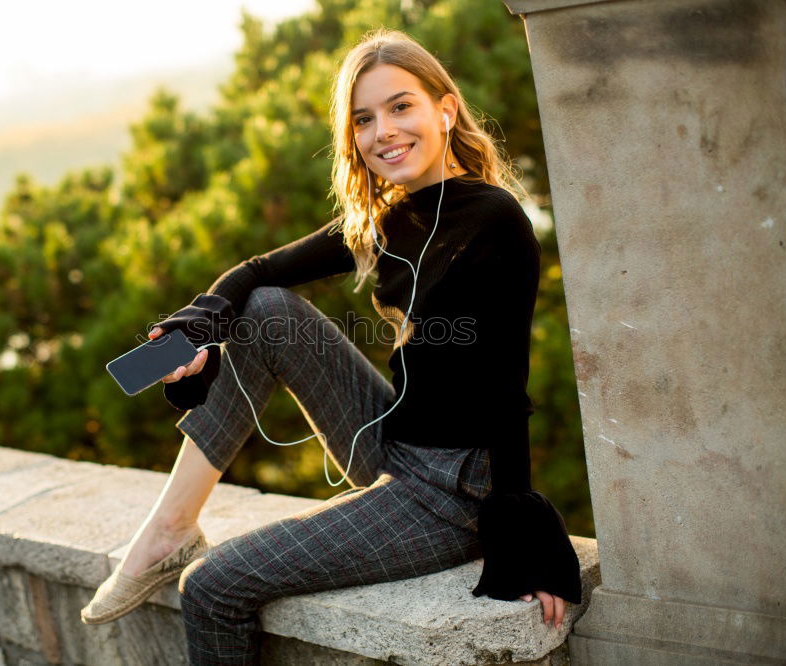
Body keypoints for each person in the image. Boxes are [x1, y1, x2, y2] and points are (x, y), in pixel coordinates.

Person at [81, 27, 582, 664]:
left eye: (402, 106)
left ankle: (180, 550)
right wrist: (189, 332)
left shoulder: (494, 223)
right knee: (266, 310)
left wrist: (524, 538)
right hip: (393, 440)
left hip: (450, 496)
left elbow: (508, 392)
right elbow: (257, 272)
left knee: (211, 586)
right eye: (364, 119)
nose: (384, 132)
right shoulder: (392, 215)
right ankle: (170, 528)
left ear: (445, 109)